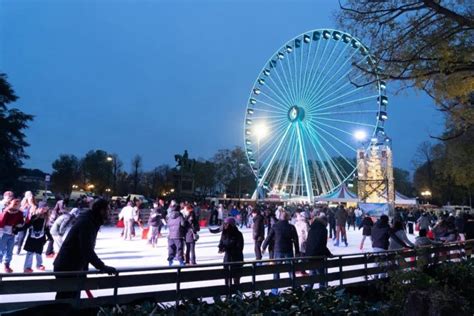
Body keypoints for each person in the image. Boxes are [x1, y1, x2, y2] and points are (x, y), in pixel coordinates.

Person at [53, 199, 116, 300]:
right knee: (65, 301)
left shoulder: (91, 221)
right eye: (108, 209)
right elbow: (86, 250)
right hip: (68, 267)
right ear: (101, 210)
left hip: (74, 267)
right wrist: (102, 267)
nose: (109, 212)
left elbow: (85, 250)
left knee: (71, 300)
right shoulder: (87, 223)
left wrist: (84, 271)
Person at [262, 210, 299, 295]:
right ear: (288, 218)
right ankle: (294, 287)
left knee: (276, 271)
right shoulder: (291, 227)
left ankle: (275, 290)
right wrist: (297, 251)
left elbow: (269, 237)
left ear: (280, 217)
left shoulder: (275, 226)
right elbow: (296, 240)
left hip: (278, 250)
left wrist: (263, 247)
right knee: (291, 269)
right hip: (288, 250)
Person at [22, 202, 52, 273]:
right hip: (32, 238)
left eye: (46, 209)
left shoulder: (46, 217)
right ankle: (27, 267)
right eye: (44, 208)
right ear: (40, 208)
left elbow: (46, 229)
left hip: (41, 238)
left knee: (39, 252)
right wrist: (18, 229)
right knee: (30, 252)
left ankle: (39, 265)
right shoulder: (34, 216)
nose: (45, 210)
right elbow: (27, 225)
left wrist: (50, 237)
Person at [305, 215, 332, 289]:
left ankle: (308, 291)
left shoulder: (312, 228)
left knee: (312, 273)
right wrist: (328, 254)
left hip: (309, 255)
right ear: (325, 222)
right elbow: (322, 244)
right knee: (321, 275)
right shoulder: (323, 230)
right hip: (318, 255)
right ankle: (322, 291)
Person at [218, 217, 244, 287]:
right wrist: (221, 248)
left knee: (236, 281)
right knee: (227, 280)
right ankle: (228, 295)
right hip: (227, 260)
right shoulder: (224, 233)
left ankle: (236, 295)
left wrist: (227, 248)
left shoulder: (238, 234)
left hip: (236, 260)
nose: (225, 226)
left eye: (227, 224)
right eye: (225, 224)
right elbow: (221, 243)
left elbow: (239, 248)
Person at [0, 199, 24, 273]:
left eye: (18, 204)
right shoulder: (6, 211)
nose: (16, 205)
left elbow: (21, 221)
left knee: (10, 251)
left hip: (12, 233)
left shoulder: (19, 212)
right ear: (11, 204)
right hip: (4, 233)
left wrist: (18, 226)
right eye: (15, 204)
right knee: (1, 250)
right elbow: (1, 222)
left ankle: (7, 265)